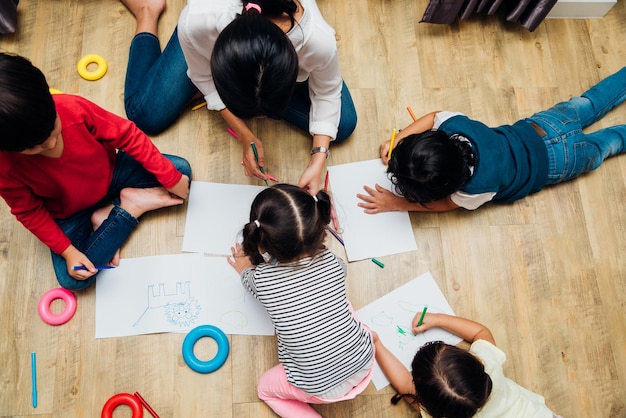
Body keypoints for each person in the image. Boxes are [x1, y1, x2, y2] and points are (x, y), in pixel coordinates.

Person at [122, 0, 357, 194]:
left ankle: (196, 92)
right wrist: (243, 133)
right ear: (220, 65)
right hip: (205, 36)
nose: (261, 119)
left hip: (286, 54)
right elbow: (203, 76)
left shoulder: (317, 40)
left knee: (342, 124)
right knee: (146, 113)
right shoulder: (199, 20)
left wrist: (318, 160)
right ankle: (147, 11)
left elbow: (327, 90)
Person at [0, 52, 191, 290]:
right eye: (32, 147)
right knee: (74, 277)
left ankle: (109, 215)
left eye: (53, 128)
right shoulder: (6, 167)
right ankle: (129, 208)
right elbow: (29, 213)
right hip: (69, 215)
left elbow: (128, 135)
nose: (49, 144)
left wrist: (170, 178)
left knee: (180, 171)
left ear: (49, 99)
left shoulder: (72, 108)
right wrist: (68, 252)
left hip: (113, 174)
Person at [357, 67, 626, 213]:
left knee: (608, 142)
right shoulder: (455, 126)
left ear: (449, 186)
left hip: (560, 163)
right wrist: (402, 136)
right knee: (591, 102)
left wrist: (398, 203)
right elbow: (434, 116)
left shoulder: (475, 191)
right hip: (548, 123)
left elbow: (444, 205)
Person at [227, 184, 374, 417]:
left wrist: (245, 268)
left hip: (318, 388)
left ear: (261, 241)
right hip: (365, 361)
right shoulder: (333, 262)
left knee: (264, 389)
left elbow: (249, 280)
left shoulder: (262, 280)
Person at [373, 311, 562, 417]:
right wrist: (438, 319)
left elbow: (405, 386)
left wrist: (377, 345)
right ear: (476, 360)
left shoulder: (441, 415)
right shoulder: (490, 365)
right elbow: (480, 332)